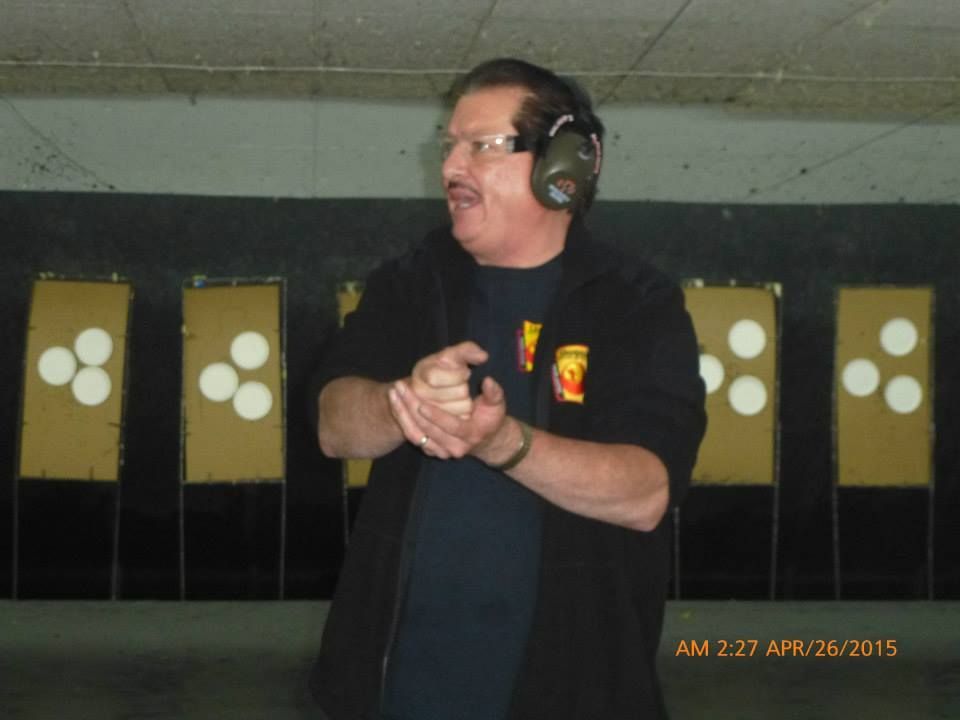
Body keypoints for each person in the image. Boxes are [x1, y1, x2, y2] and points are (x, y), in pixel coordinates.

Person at [309, 58, 706, 720]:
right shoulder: (412, 283)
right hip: (391, 692)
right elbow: (332, 423)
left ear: (565, 163)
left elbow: (645, 494)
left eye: (483, 146)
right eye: (448, 147)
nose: (450, 167)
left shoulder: (635, 304)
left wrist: (502, 443)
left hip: (574, 696)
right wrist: (400, 403)